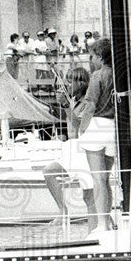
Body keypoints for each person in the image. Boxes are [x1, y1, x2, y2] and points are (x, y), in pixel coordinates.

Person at [43, 66, 98, 230]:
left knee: (88, 195)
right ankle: (63, 210)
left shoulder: (86, 103)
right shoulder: (74, 102)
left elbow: (80, 125)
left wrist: (66, 106)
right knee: (49, 172)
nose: (67, 85)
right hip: (71, 147)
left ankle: (94, 229)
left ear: (80, 83)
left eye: (70, 81)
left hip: (82, 148)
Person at [74, 37, 117, 231]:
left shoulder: (98, 76)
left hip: (97, 126)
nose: (91, 60)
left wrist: (81, 128)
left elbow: (90, 105)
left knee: (97, 179)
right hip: (113, 127)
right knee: (105, 180)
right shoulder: (118, 75)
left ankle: (102, 224)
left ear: (100, 57)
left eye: (92, 56)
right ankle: (106, 221)